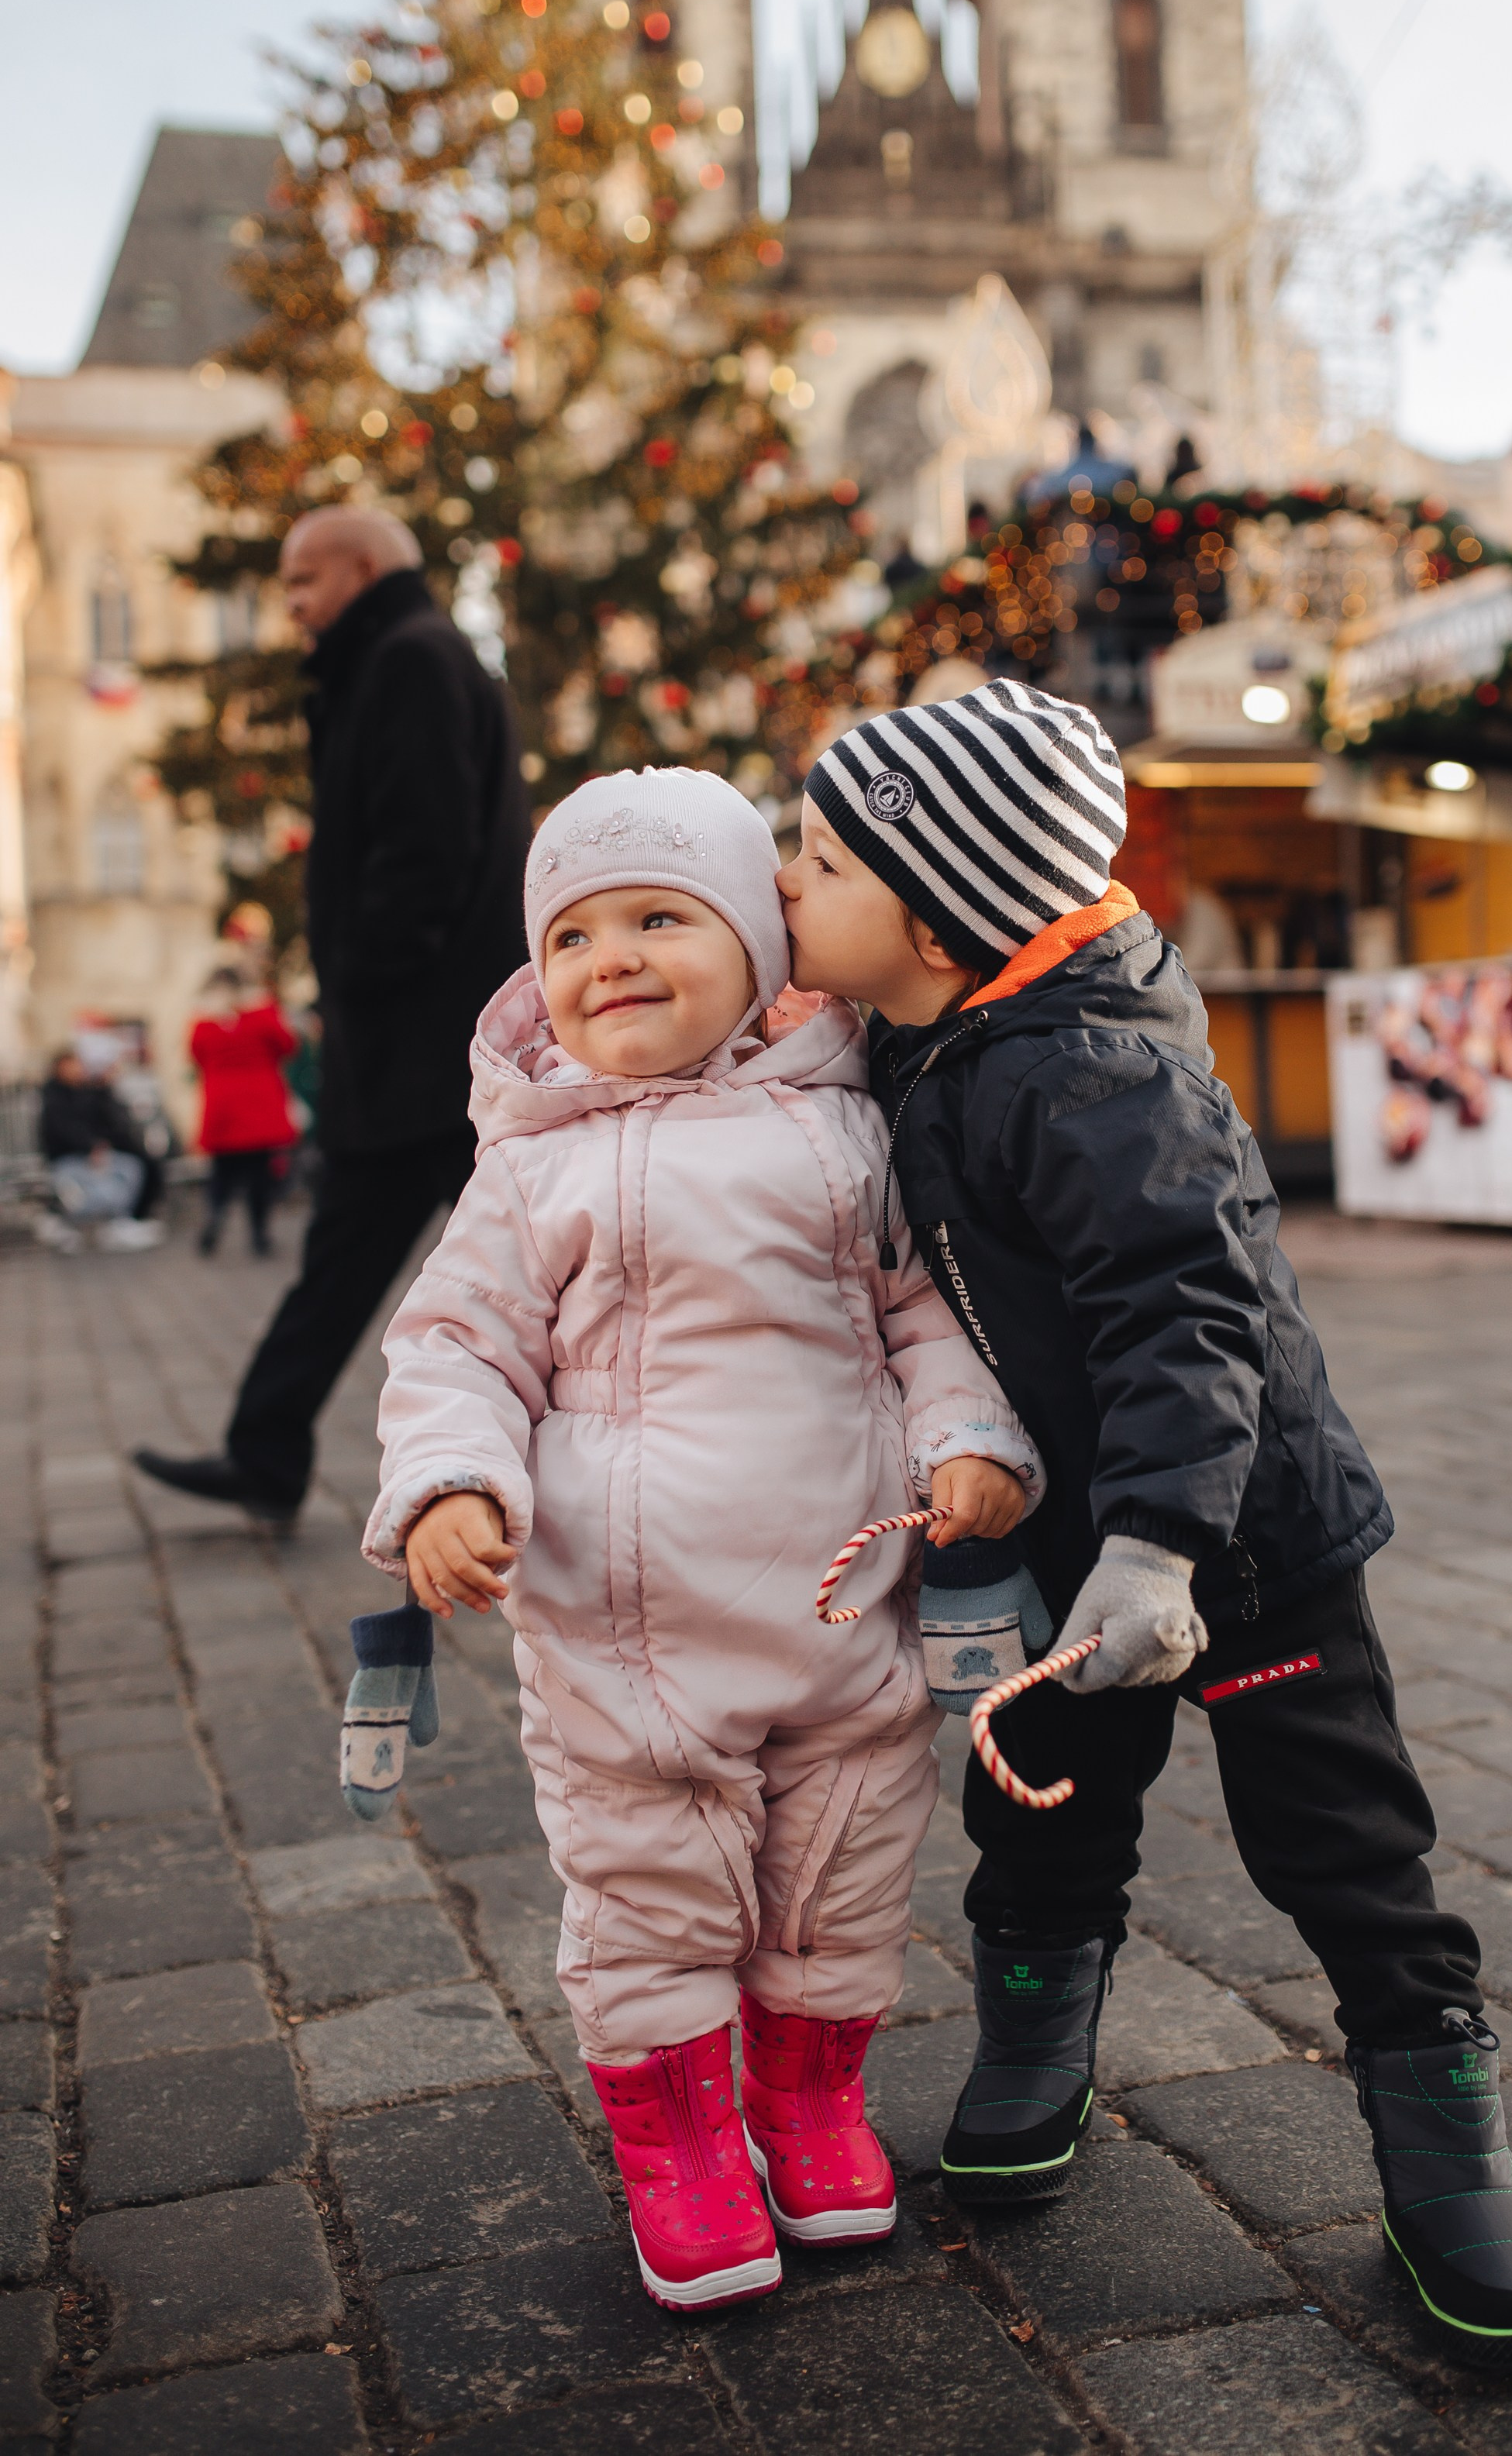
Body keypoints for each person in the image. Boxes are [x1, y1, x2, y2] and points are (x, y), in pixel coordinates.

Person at [777, 678, 1512, 2375]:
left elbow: (1183, 1310)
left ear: (937, 910)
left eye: (817, 856)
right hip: (1081, 1537)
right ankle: (1033, 2043)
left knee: (1342, 1840)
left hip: (1240, 1527)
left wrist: (1158, 1542)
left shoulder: (1090, 1072)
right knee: (1051, 1817)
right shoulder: (925, 1031)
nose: (787, 881)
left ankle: (1439, 2137)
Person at [359, 769, 1039, 2313]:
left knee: (840, 1877)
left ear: (756, 950)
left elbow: (921, 1307)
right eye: (577, 933)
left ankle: (805, 2102)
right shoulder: (531, 1161)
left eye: (661, 918)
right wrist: (455, 1483)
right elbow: (457, 1347)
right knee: (652, 1890)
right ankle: (674, 2135)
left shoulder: (839, 1128)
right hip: (626, 1627)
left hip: (844, 1605)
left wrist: (970, 1437)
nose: (614, 957)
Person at [134, 506, 532, 1519]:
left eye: (304, 581)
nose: (292, 605)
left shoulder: (406, 661)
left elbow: (421, 850)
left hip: (424, 1040)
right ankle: (264, 1448)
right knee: (362, 1256)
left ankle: (622, 1441)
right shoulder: (405, 658)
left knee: (522, 1259)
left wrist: (354, 981)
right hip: (421, 1042)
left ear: (362, 568)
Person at [188, 964, 298, 1256]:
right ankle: (259, 1234)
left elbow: (196, 1055)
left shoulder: (204, 1020)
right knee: (260, 1173)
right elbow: (287, 1046)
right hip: (259, 1102)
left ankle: (215, 1215)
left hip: (222, 1103)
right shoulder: (262, 1014)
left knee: (222, 1172)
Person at [36, 1045, 164, 1252]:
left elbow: (104, 1121)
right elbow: (63, 1130)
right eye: (73, 1065)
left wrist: (103, 1087)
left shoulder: (85, 1091)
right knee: (99, 1190)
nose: (78, 1069)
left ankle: (118, 1222)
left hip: (91, 1154)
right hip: (70, 1158)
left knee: (131, 1168)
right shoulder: (54, 1097)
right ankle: (62, 1218)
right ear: (60, 1067)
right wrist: (90, 1147)